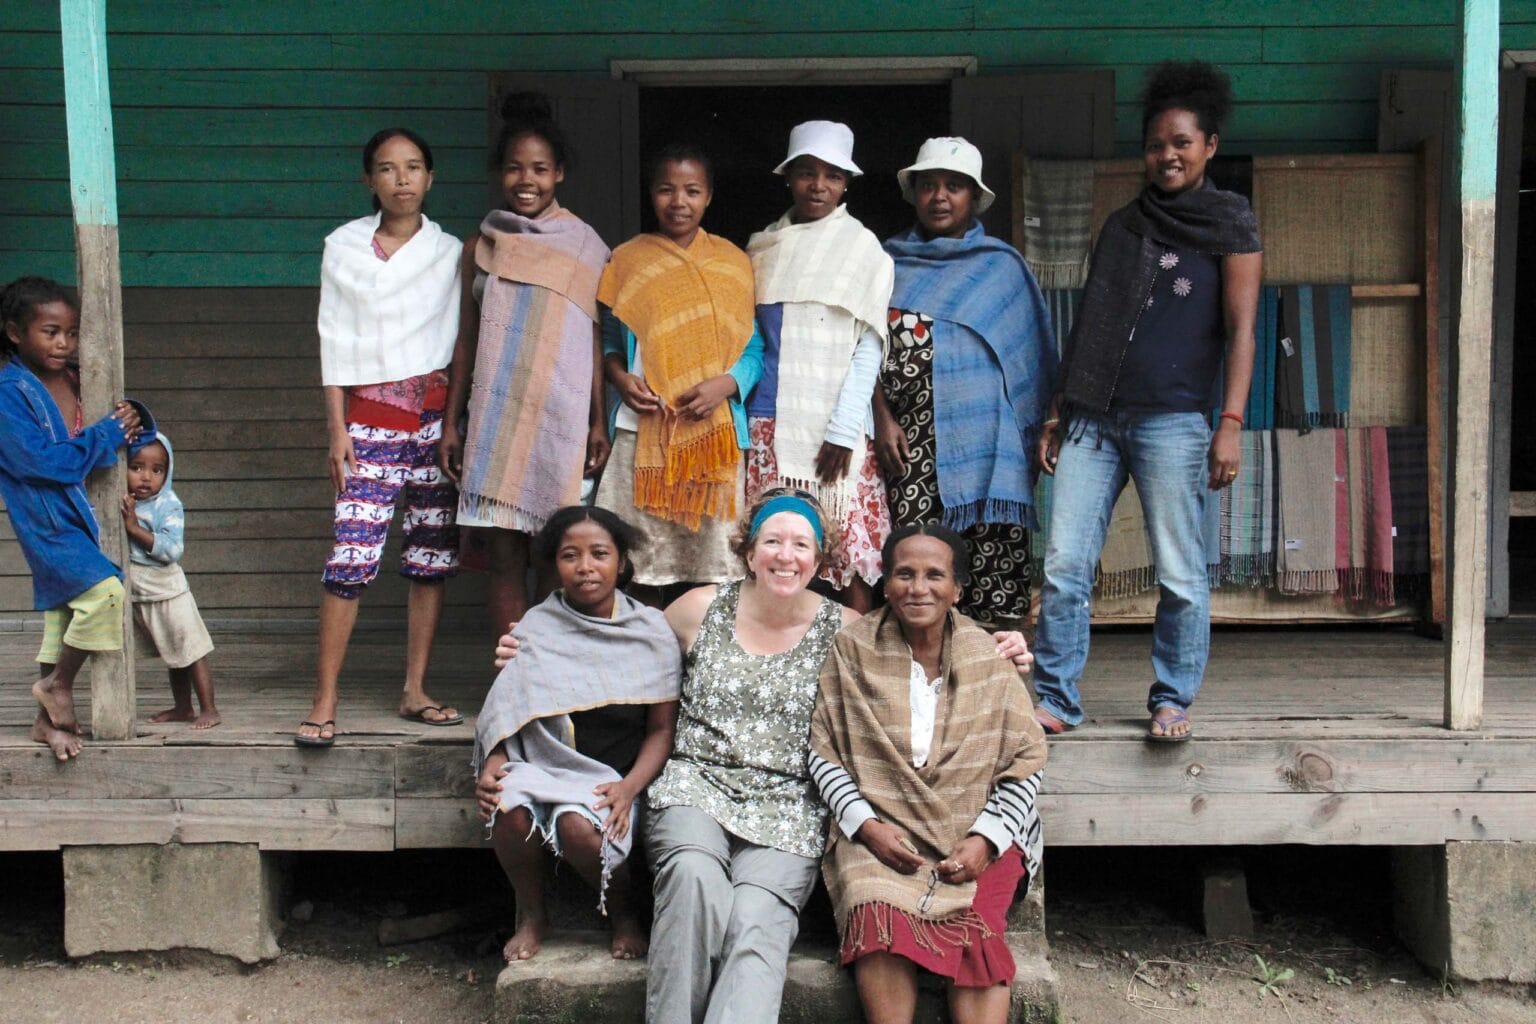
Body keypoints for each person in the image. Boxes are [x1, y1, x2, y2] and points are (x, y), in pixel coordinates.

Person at [1032, 61, 1263, 742]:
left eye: (1182, 143)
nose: (1168, 155)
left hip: (1173, 420)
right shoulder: (1123, 226)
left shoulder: (1230, 224)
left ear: (1209, 146)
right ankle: (1056, 699)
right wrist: (1057, 409)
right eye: (1157, 144)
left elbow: (1244, 331)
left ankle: (1172, 699)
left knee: (1181, 571)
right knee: (1066, 564)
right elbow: (1089, 328)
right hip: (1093, 419)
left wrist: (1230, 423)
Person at [810, 523, 1047, 1024]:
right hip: (880, 824)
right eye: (904, 574)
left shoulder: (989, 656)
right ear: (886, 584)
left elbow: (1025, 766)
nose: (919, 588)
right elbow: (823, 754)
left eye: (934, 575)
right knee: (877, 919)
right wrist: (867, 829)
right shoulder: (851, 650)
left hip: (982, 827)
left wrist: (986, 839)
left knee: (976, 935)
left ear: (957, 588)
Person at [303, 127, 464, 747]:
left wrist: (452, 426)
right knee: (351, 555)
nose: (402, 179)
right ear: (369, 179)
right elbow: (334, 338)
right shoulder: (344, 248)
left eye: (414, 167)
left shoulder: (449, 252)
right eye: (388, 169)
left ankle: (415, 688)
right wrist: (336, 429)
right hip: (368, 421)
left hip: (435, 420)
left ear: (430, 178)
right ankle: (325, 697)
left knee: (429, 557)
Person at [474, 506, 680, 963]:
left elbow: (663, 730)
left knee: (577, 826)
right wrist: (493, 763)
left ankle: (624, 913)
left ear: (622, 563)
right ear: (555, 565)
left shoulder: (651, 631)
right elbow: (511, 709)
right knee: (506, 805)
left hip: (620, 776)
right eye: (571, 555)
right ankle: (531, 913)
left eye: (599, 554)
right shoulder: (536, 628)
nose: (585, 567)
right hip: (545, 764)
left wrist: (628, 789)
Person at [440, 91, 611, 634]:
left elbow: (590, 341)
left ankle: (548, 675)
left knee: (555, 552)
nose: (526, 180)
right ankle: (510, 679)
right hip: (496, 421)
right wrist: (451, 423)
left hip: (558, 421)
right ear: (499, 174)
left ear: (559, 173)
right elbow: (466, 342)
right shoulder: (481, 245)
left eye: (539, 168)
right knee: (506, 555)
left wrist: (597, 421)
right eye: (514, 168)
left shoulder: (586, 247)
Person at [872, 138, 1058, 632]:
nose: (940, 196)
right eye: (928, 185)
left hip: (990, 455)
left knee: (994, 576)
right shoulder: (881, 264)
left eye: (954, 186)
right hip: (909, 448)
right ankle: (916, 681)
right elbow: (859, 349)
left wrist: (1038, 432)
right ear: (912, 193)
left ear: (973, 198)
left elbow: (1035, 364)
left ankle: (993, 684)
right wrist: (880, 416)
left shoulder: (1003, 268)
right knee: (917, 567)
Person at [594, 145, 763, 597]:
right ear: (651, 194)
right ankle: (644, 663)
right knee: (636, 563)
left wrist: (725, 386)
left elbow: (754, 348)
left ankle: (703, 666)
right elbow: (610, 338)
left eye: (692, 190)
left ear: (709, 197)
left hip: (714, 437)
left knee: (716, 567)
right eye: (666, 189)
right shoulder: (627, 260)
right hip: (640, 431)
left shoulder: (734, 263)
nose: (679, 201)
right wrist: (619, 378)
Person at [744, 121, 894, 611]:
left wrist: (845, 426)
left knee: (847, 549)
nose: (819, 185)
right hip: (769, 420)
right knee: (778, 547)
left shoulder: (863, 250)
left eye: (832, 175)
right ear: (788, 177)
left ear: (846, 183)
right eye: (806, 173)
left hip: (840, 429)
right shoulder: (762, 248)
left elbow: (869, 345)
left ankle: (854, 663)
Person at [0, 276, 142, 762]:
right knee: (105, 593)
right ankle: (59, 685)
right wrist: (105, 437)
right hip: (46, 520)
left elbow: (117, 435)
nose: (64, 343)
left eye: (72, 333)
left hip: (81, 513)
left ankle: (44, 724)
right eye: (51, 332)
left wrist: (133, 419)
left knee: (64, 610)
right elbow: (40, 462)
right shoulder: (9, 391)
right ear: (16, 334)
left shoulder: (82, 377)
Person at [121, 431, 220, 728]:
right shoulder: (124, 501)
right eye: (136, 467)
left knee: (191, 649)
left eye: (157, 469)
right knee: (172, 653)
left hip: (168, 590)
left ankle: (209, 709)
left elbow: (172, 549)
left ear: (168, 472)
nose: (146, 477)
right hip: (140, 591)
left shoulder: (169, 505)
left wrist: (135, 529)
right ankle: (182, 707)